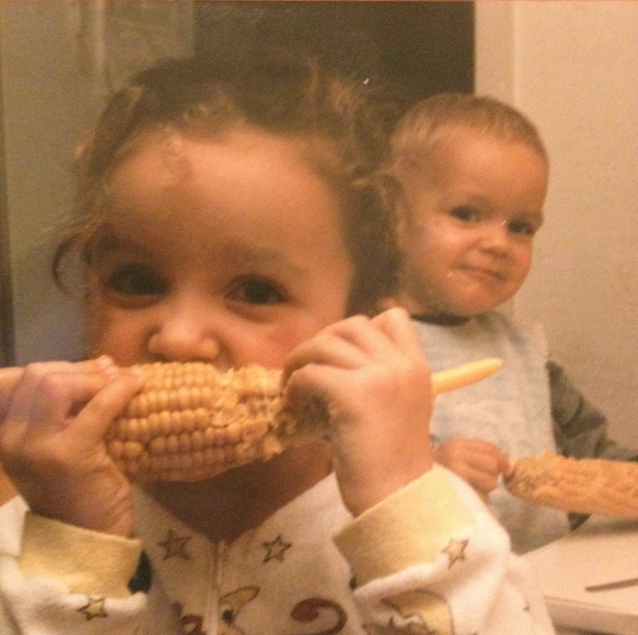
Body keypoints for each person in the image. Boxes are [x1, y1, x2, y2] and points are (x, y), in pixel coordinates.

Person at [0, 55, 555, 635]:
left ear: (361, 325)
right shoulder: (45, 523)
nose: (179, 337)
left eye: (255, 291)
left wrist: (402, 510)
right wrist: (75, 550)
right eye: (136, 281)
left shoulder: (433, 530)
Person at [389, 92, 637, 554]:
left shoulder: (525, 354)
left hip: (542, 588)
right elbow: (328, 495)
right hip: (427, 589)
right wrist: (429, 475)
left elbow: (597, 456)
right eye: (467, 214)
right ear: (396, 216)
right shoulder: (364, 349)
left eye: (520, 227)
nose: (498, 243)